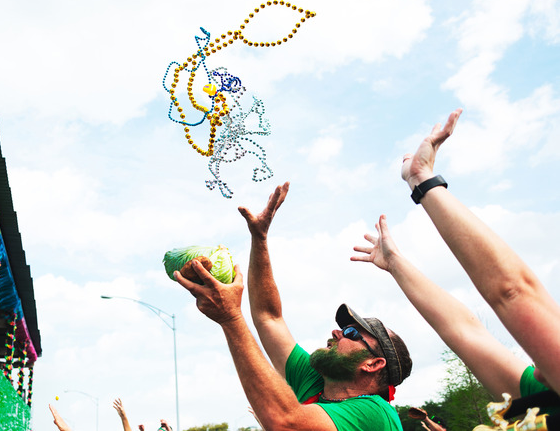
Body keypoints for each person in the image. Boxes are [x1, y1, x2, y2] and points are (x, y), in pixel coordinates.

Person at [354, 108, 560, 397]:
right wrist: (394, 262)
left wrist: (424, 182)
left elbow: (513, 291)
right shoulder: (542, 397)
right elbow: (465, 331)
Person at [174, 182, 412, 431]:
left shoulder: (374, 412)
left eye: (351, 333)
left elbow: (285, 422)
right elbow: (269, 318)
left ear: (373, 365)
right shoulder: (315, 381)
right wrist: (260, 239)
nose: (336, 332)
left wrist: (230, 318)